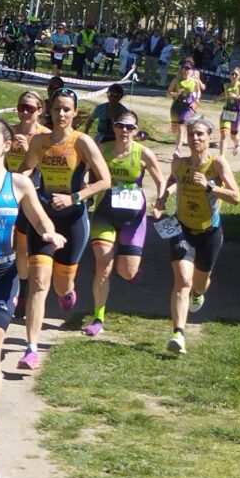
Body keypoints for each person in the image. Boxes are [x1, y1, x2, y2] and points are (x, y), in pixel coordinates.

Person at [0, 118, 65, 431]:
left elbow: (39, 217)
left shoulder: (18, 184)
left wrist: (50, 234)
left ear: (7, 145)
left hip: (1, 275)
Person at [17, 88, 111, 369]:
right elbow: (25, 170)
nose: (61, 114)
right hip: (44, 218)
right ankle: (31, 348)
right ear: (49, 109)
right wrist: (11, 185)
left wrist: (74, 197)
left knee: (60, 283)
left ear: (75, 113)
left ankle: (67, 291)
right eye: (57, 108)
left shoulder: (81, 143)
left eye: (67, 109)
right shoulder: (40, 142)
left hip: (73, 220)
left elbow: (104, 180)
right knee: (38, 282)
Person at [151, 119, 240, 355]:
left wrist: (210, 187)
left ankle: (199, 294)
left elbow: (236, 196)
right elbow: (173, 180)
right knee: (182, 281)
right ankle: (178, 334)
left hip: (209, 232)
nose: (195, 138)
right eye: (192, 134)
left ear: (209, 137)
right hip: (182, 228)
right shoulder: (180, 163)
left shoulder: (217, 164)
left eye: (200, 134)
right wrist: (162, 198)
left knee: (199, 284)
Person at [82, 110, 164, 337]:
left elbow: (160, 180)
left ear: (136, 131)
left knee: (126, 272)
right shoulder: (103, 150)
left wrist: (160, 202)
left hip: (133, 218)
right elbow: (84, 171)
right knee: (103, 264)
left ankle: (129, 267)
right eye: (120, 125)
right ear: (113, 127)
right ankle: (98, 317)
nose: (125, 131)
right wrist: (81, 193)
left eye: (130, 127)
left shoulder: (143, 153)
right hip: (105, 213)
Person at [9, 90, 50, 314]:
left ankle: (26, 290)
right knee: (13, 244)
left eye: (30, 108)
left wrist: (29, 152)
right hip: (10, 193)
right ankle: (15, 290)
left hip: (35, 195)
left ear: (40, 111)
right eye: (22, 107)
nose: (25, 112)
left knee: (27, 246)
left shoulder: (46, 136)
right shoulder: (9, 132)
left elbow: (52, 170)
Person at [167, 60, 205, 153]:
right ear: (181, 69)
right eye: (185, 68)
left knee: (181, 126)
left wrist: (195, 102)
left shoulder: (194, 81)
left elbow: (197, 93)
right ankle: (180, 138)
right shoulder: (176, 80)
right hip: (176, 106)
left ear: (192, 70)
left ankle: (178, 149)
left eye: (188, 68)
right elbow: (168, 93)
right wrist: (176, 93)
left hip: (187, 107)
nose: (186, 70)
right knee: (174, 129)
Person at [219, 68, 240, 157]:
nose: (234, 76)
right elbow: (225, 95)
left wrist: (236, 96)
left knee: (233, 135)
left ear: (239, 76)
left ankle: (237, 144)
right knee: (224, 134)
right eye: (232, 74)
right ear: (230, 75)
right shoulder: (226, 85)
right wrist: (218, 98)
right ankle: (222, 156)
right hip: (226, 111)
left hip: (236, 113)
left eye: (236, 74)